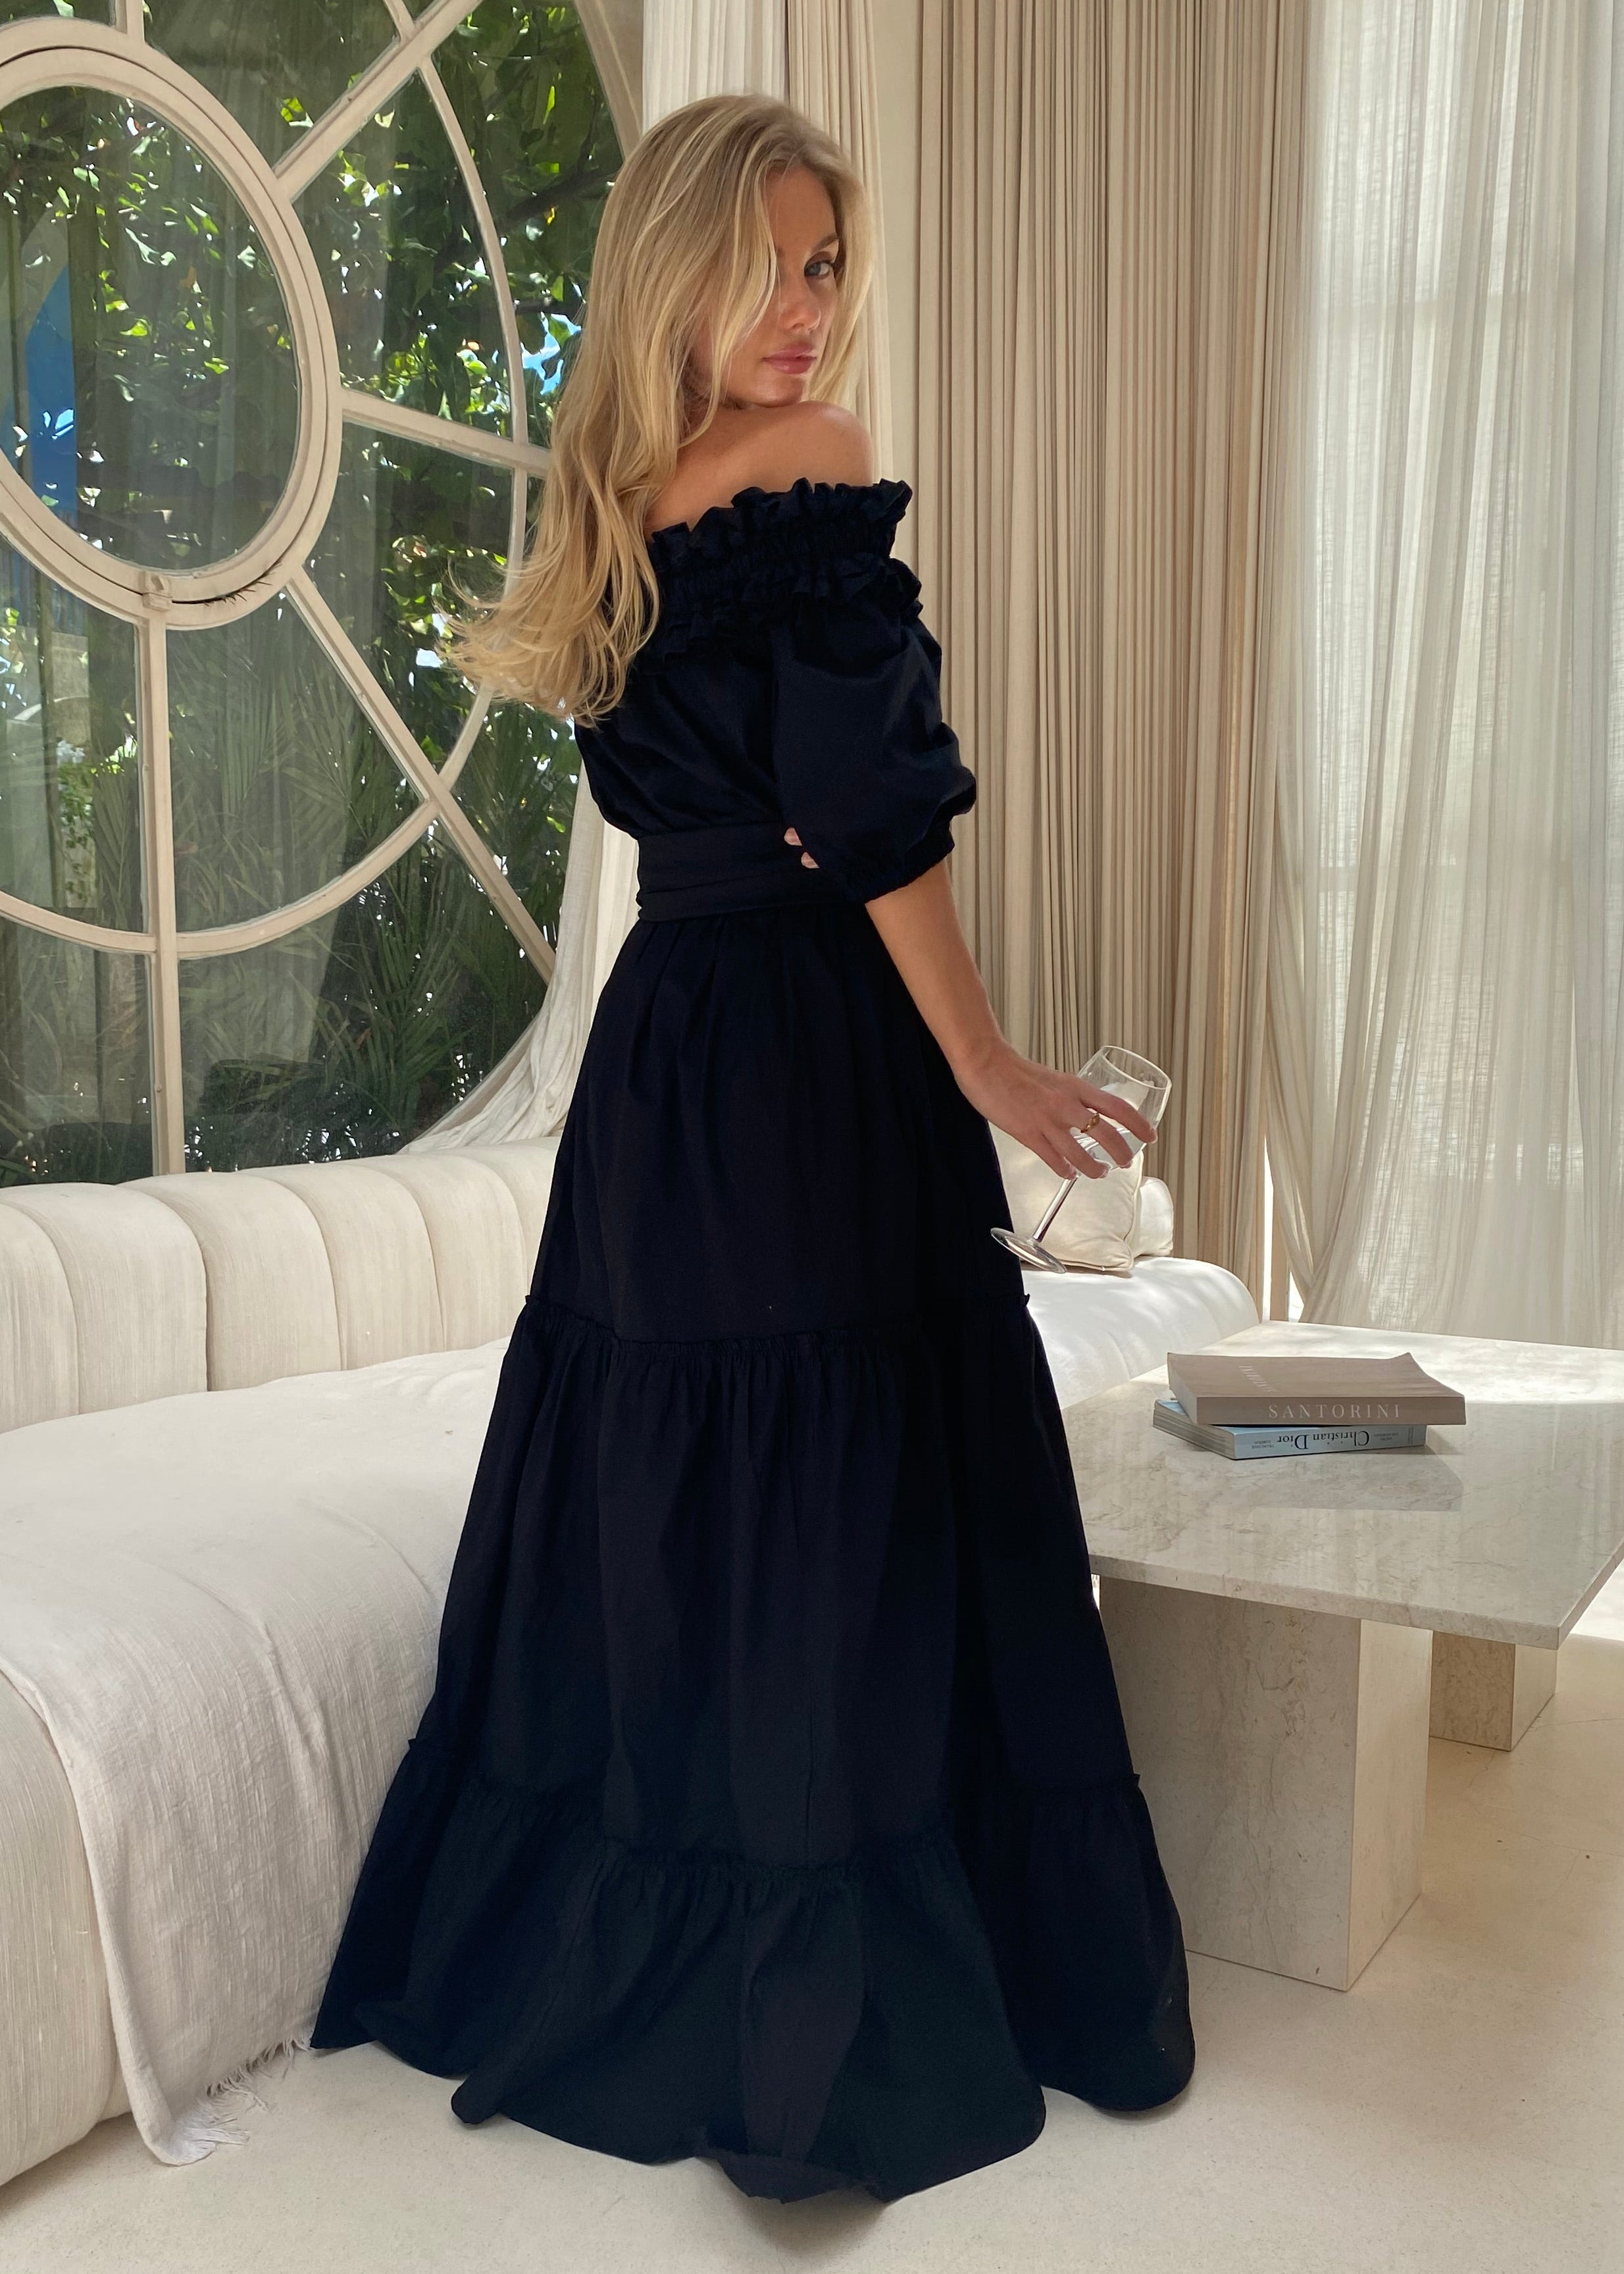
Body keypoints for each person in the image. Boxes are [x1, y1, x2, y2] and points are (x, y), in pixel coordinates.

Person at [311, 90, 1194, 2204]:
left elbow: (773, 807)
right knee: (845, 1478)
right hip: (810, 1045)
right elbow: (870, 820)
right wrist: (983, 1059)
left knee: (696, 1478)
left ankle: (664, 1953)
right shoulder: (798, 470)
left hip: (667, 1061)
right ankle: (840, 1989)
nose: (805, 311)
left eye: (824, 269)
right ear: (673, 272)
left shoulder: (615, 508)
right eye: (767, 266)